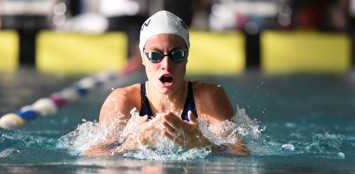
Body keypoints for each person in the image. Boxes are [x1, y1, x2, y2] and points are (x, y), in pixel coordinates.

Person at [86, 10, 249, 156]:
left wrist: (202, 142)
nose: (166, 64)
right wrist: (132, 144)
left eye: (176, 54)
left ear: (187, 56)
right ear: (142, 57)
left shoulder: (208, 96)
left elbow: (241, 152)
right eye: (155, 56)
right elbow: (92, 153)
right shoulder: (122, 101)